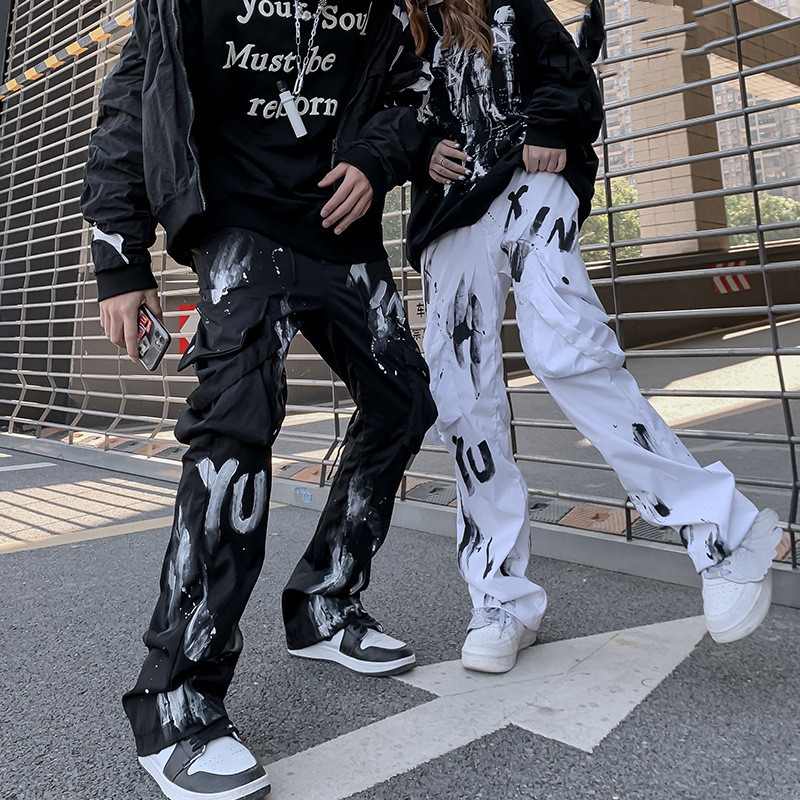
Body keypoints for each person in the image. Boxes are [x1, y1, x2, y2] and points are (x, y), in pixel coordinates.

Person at [81, 1, 436, 798]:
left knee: (404, 401)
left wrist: (375, 160)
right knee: (237, 430)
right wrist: (119, 256)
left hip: (339, 232)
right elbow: (134, 101)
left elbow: (413, 99)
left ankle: (325, 603)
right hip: (238, 225)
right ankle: (176, 698)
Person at [405, 0, 783, 675]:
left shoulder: (503, 4)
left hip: (532, 177)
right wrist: (417, 147)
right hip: (451, 209)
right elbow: (379, 119)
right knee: (459, 395)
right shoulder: (392, 29)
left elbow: (568, 68)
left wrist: (550, 123)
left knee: (564, 345)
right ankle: (499, 598)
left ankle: (723, 532)